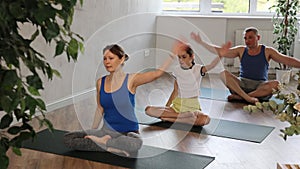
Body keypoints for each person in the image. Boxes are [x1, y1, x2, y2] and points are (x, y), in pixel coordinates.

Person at [64, 42, 181, 156]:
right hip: (107, 132)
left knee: (136, 143)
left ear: (121, 59)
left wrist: (172, 54)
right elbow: (100, 108)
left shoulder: (131, 80)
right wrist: (92, 131)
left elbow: (156, 74)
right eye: (104, 59)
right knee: (68, 139)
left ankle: (105, 144)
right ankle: (110, 146)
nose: (107, 62)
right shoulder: (100, 82)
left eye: (111, 58)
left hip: (129, 133)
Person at [191, 27, 300, 104]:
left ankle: (242, 97)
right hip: (241, 84)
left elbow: (287, 60)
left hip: (260, 87)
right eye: (245, 38)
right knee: (223, 73)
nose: (247, 41)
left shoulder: (267, 51)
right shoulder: (241, 50)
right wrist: (201, 42)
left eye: (250, 37)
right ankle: (247, 97)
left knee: (276, 84)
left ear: (258, 37)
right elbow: (220, 51)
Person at [145, 40, 230, 126]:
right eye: (179, 57)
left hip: (193, 108)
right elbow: (175, 90)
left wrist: (220, 55)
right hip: (177, 107)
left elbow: (211, 65)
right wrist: (167, 107)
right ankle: (179, 116)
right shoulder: (177, 70)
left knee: (205, 120)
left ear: (192, 56)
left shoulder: (198, 69)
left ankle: (172, 119)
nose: (181, 60)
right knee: (148, 110)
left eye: (184, 57)